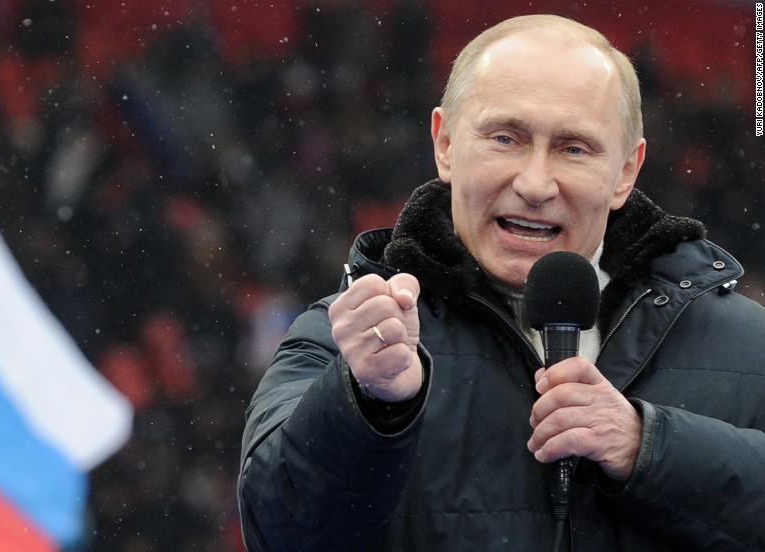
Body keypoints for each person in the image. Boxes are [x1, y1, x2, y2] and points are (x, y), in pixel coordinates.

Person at [237, 13, 765, 552]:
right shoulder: (344, 340)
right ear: (444, 144)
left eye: (573, 148)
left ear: (627, 171)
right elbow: (277, 533)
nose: (535, 183)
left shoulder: (749, 345)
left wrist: (648, 447)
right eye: (506, 138)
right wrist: (369, 404)